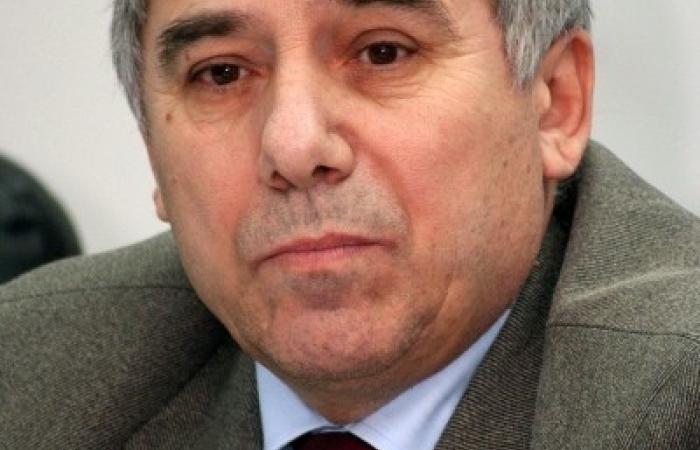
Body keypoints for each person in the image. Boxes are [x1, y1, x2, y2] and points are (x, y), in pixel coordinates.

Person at [1, 0, 698, 449]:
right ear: (153, 150)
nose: (294, 147)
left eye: (383, 52)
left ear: (555, 104)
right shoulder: (31, 377)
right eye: (221, 74)